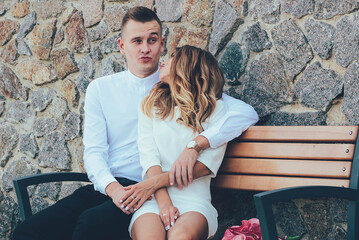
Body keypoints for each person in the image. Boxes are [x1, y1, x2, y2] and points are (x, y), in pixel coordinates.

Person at [12, 6, 258, 240]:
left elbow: (244, 113)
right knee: (28, 233)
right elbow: (94, 154)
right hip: (110, 188)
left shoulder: (183, 89)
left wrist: (197, 144)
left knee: (90, 226)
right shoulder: (102, 88)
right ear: (122, 46)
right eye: (136, 41)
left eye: (152, 40)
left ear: (162, 44)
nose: (145, 49)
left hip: (150, 192)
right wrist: (114, 190)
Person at [130, 45, 230, 240]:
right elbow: (150, 158)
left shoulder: (217, 110)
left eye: (173, 57)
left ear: (187, 67)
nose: (164, 61)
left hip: (194, 199)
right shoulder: (151, 106)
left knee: (180, 237)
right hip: (155, 198)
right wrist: (164, 201)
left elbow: (205, 166)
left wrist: (156, 182)